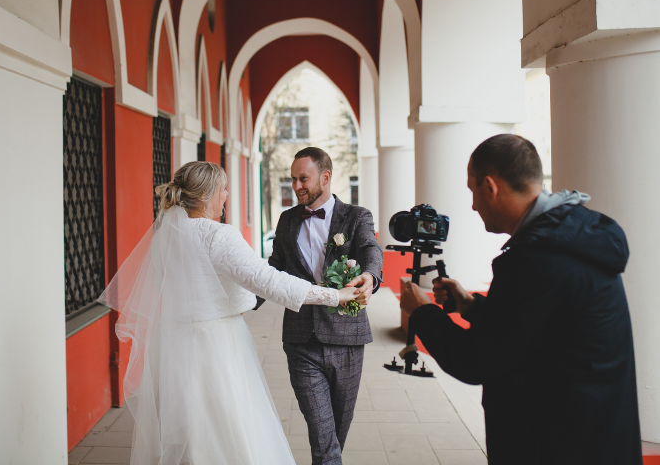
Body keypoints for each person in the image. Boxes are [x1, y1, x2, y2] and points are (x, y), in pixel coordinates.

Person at [399, 134, 642, 465]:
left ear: (490, 187)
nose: (472, 204)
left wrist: (423, 312)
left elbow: (478, 360)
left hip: (556, 443)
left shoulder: (535, 260)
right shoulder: (571, 236)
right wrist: (469, 305)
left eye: (472, 191)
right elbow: (534, 327)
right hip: (596, 434)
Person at [99, 161, 361, 465]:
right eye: (224, 189)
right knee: (231, 429)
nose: (226, 195)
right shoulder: (218, 236)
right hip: (216, 346)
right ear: (208, 194)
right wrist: (335, 295)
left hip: (171, 344)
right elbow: (270, 281)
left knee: (188, 430)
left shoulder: (165, 234)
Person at [260, 147, 383, 465]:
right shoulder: (287, 221)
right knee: (323, 441)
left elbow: (370, 247)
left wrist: (370, 275)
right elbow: (274, 270)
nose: (296, 186)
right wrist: (243, 299)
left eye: (303, 178)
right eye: (292, 180)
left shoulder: (356, 217)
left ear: (325, 177)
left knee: (335, 437)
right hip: (301, 341)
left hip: (347, 340)